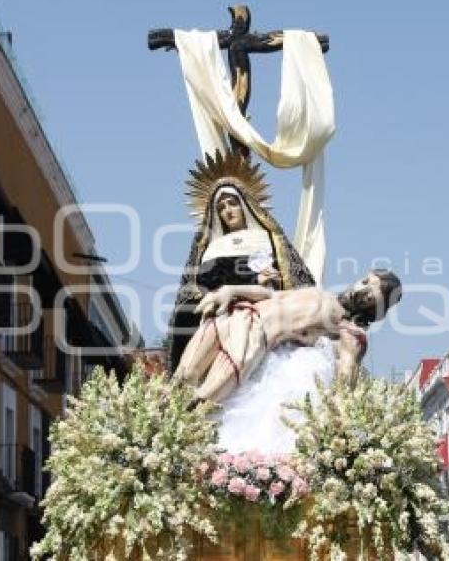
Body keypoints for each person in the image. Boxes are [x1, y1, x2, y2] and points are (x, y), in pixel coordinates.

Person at [167, 150, 315, 370]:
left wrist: (266, 281)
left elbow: (290, 283)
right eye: (221, 207)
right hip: (219, 311)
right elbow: (199, 287)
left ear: (244, 204)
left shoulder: (268, 239)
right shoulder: (212, 247)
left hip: (262, 307)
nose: (227, 211)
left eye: (232, 203)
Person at [174, 269, 402, 404]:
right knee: (183, 376)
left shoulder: (349, 330)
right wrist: (231, 290)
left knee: (202, 400)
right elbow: (272, 295)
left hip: (253, 339)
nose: (359, 290)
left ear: (376, 308)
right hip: (237, 315)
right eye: (364, 281)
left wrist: (338, 415)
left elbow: (346, 373)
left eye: (370, 295)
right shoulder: (320, 293)